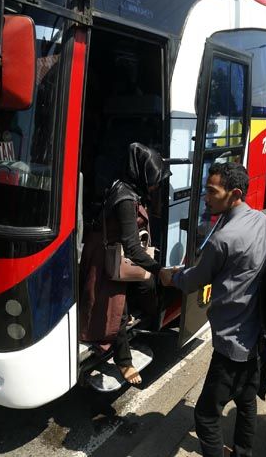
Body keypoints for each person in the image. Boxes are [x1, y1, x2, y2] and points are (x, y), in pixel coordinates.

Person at [160, 162, 266, 457]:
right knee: (247, 403)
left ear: (234, 193)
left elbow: (194, 281)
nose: (206, 197)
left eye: (212, 191)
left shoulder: (224, 239)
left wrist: (170, 275)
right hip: (256, 335)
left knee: (206, 416)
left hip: (231, 344)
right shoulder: (261, 220)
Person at [79, 143, 171, 385]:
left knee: (133, 297)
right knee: (116, 312)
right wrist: (158, 269)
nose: (155, 185)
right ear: (141, 172)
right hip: (108, 257)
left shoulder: (126, 186)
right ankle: (124, 363)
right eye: (153, 178)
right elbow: (132, 246)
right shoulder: (125, 200)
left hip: (114, 252)